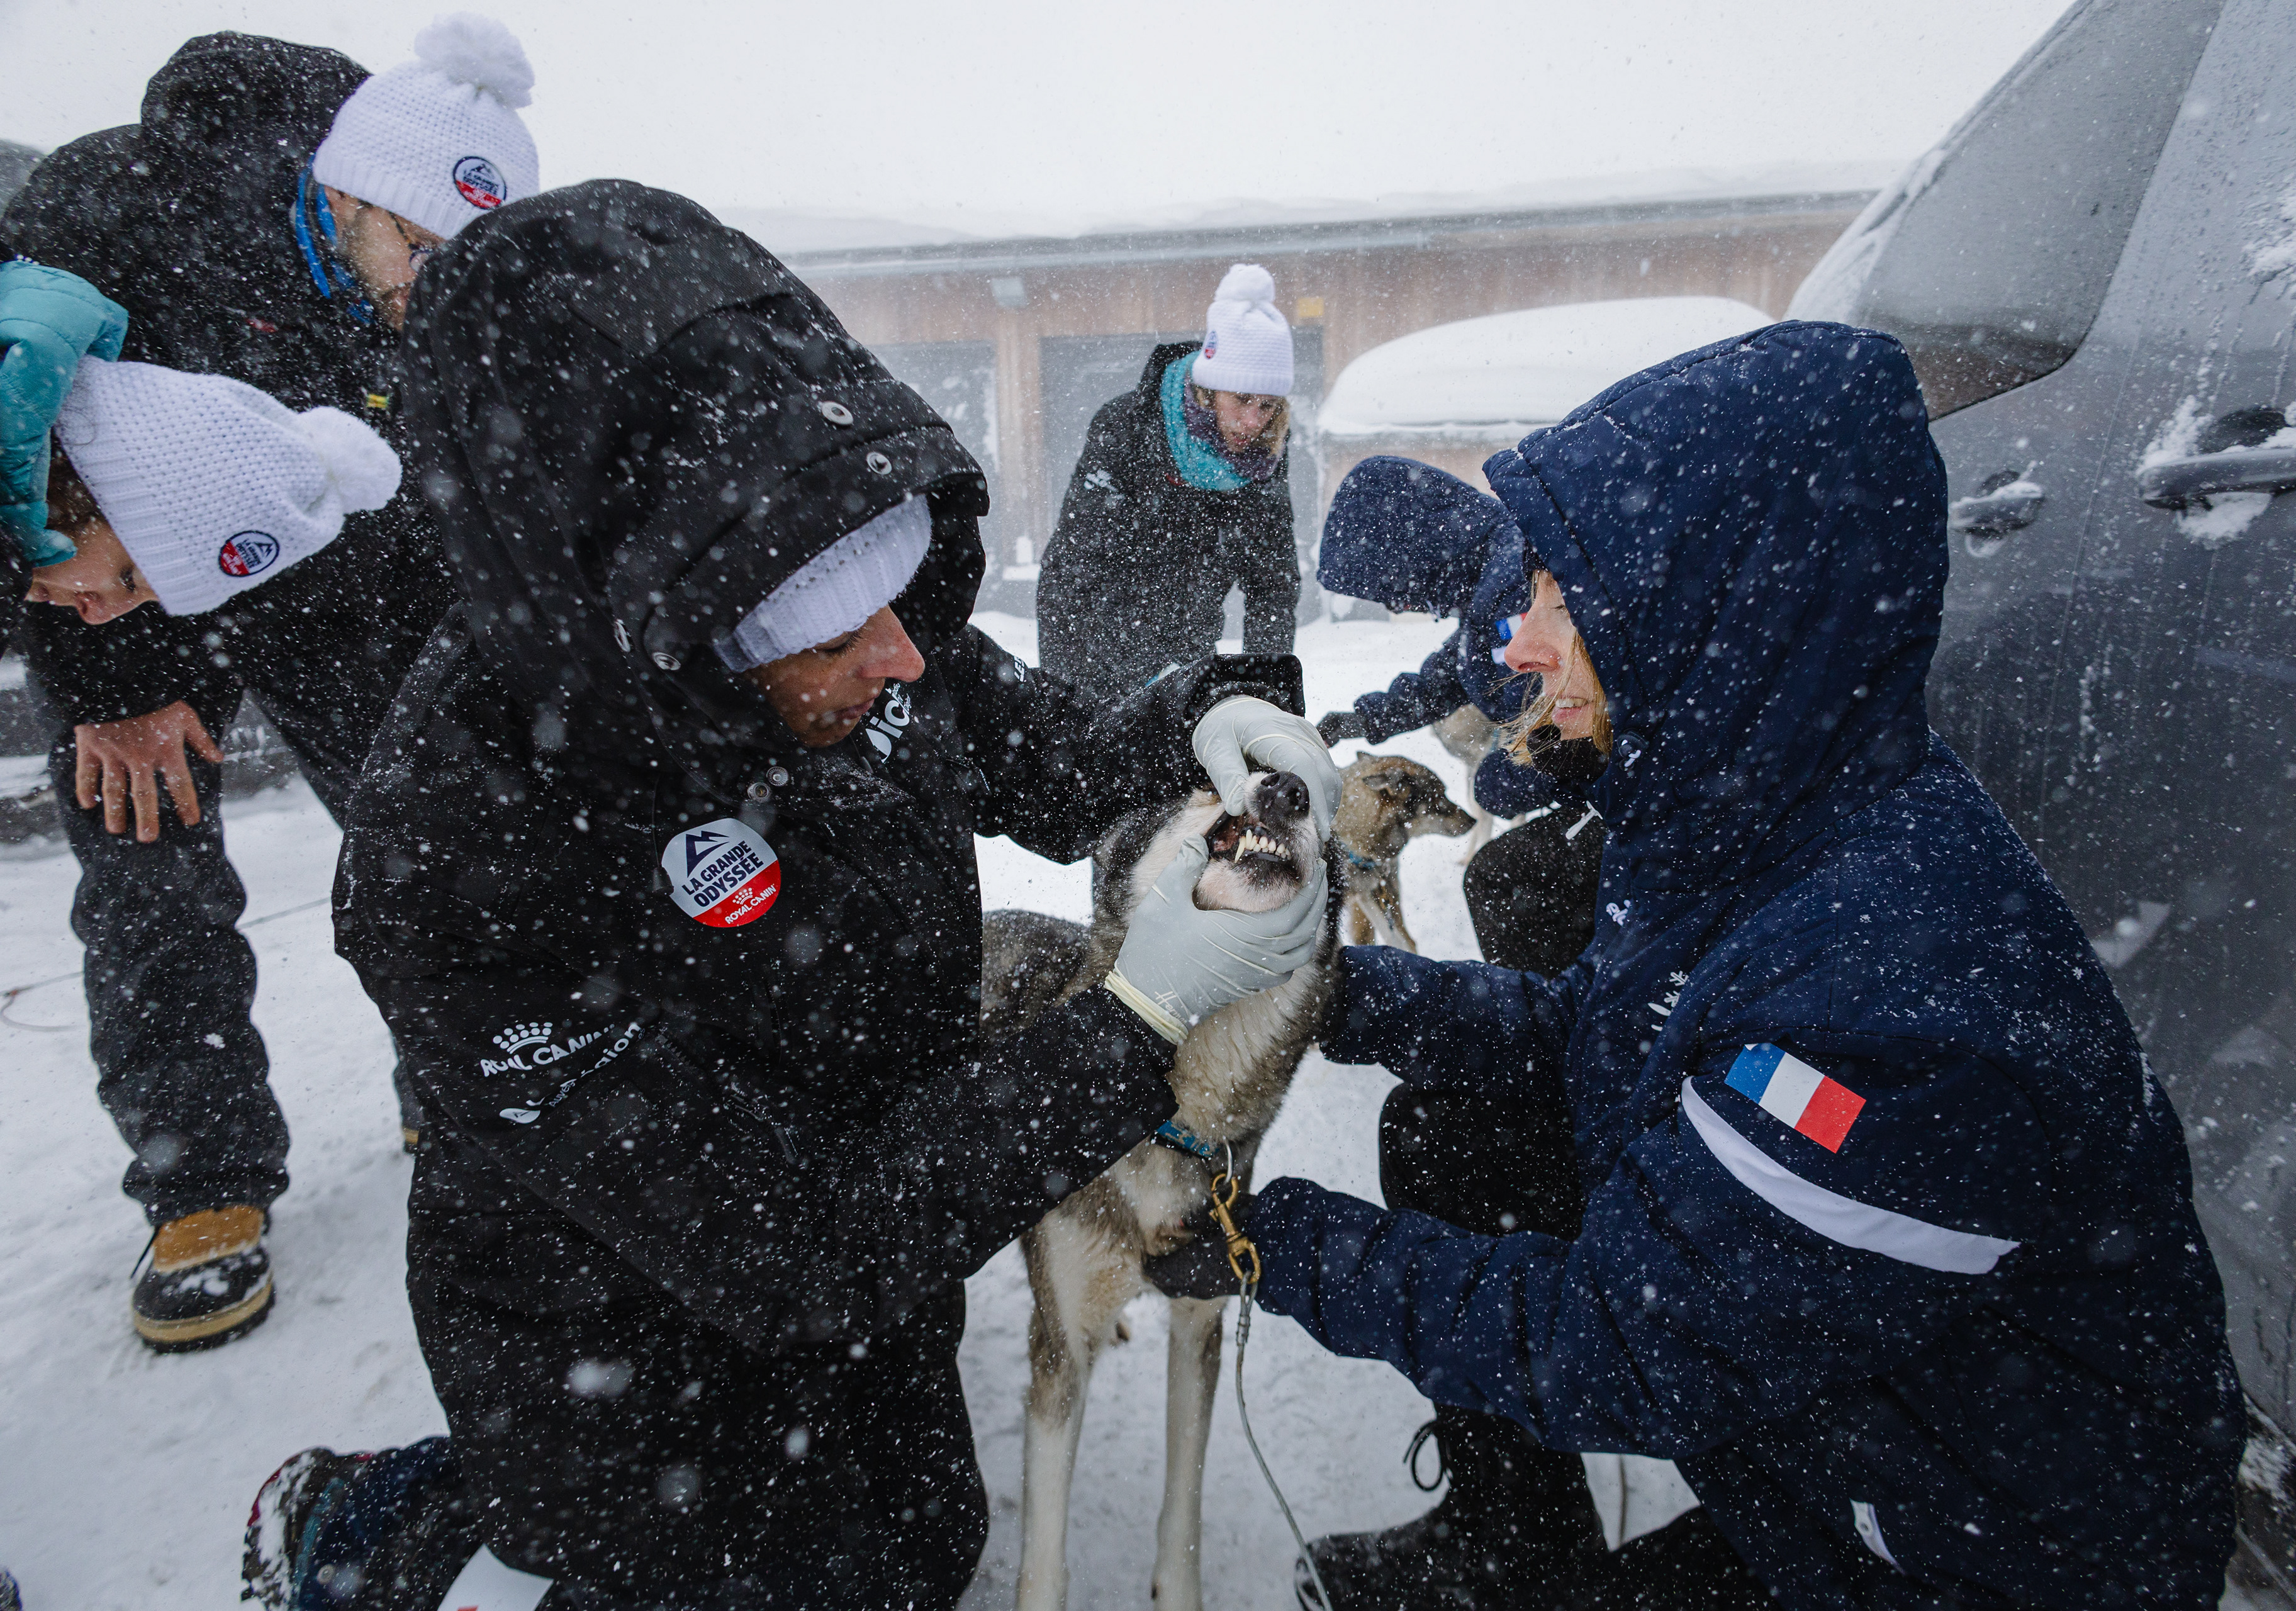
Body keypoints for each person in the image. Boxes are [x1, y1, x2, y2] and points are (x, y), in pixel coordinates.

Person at [240, 181, 1343, 1611]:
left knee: (915, 1551)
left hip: (868, 1252)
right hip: (635, 1331)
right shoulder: (470, 852)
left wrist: (1204, 713)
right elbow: (794, 1241)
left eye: (903, 601)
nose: (904, 656)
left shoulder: (850, 633)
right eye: (845, 628)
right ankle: (400, 1527)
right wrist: (1131, 1021)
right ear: (672, 630)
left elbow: (1043, 750)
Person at [1151, 323, 2243, 1610]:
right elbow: (1611, 1034)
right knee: (1462, 1134)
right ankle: (1512, 1538)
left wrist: (1264, 1242)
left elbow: (1615, 1340)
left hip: (1980, 1556)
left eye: (1564, 597)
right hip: (1863, 1432)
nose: (1513, 644)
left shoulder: (1902, 1004)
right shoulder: (1759, 810)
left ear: (1714, 606)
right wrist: (1334, 993)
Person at [0, 16, 539, 1350]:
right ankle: (203, 1178)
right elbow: (38, 475)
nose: (431, 279)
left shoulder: (433, 261)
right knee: (149, 864)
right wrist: (109, 681)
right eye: (413, 248)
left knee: (426, 838)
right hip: (124, 601)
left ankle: (458, 1066)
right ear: (349, 194)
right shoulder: (115, 200)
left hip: (346, 590)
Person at [1311, 452, 1608, 974]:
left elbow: (1569, 724)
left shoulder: (1510, 593)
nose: (1401, 608)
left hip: (1627, 792)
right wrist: (1363, 720)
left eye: (1389, 591)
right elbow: (1445, 679)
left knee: (1500, 877)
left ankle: (1550, 1019)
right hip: (1618, 785)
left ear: (1413, 551)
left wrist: (1518, 776)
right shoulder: (1495, 572)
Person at [1036, 262, 1299, 699]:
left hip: (1189, 658)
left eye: (1269, 405)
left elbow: (1272, 585)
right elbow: (1073, 570)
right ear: (1209, 388)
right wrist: (1074, 701)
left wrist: (1264, 695)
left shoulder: (1263, 460)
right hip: (1098, 658)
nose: (1253, 421)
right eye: (1243, 399)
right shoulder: (1128, 429)